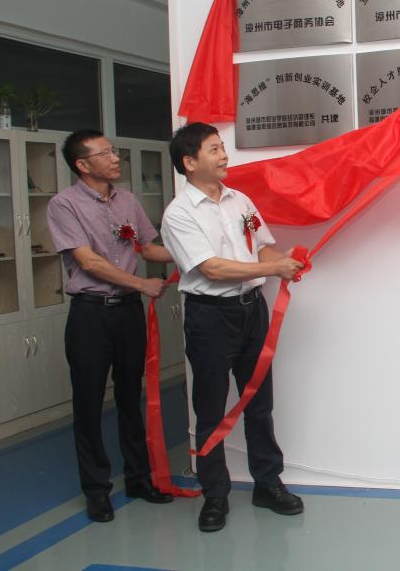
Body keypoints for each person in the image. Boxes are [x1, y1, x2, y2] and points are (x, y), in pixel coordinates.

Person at [161, 122, 305, 533]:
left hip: (251, 310)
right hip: (210, 316)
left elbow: (262, 247)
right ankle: (215, 494)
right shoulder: (179, 214)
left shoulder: (240, 200)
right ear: (190, 162)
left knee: (259, 400)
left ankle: (267, 483)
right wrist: (273, 269)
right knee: (210, 407)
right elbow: (212, 268)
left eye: (222, 147)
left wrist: (284, 262)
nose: (224, 155)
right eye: (214, 149)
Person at [47, 129, 176, 522]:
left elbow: (148, 248)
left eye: (114, 151)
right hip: (90, 314)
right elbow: (88, 261)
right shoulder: (63, 205)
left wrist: (201, 254)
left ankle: (138, 479)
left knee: (130, 398)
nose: (115, 158)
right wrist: (141, 284)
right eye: (105, 153)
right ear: (82, 165)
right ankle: (96, 490)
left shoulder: (128, 200)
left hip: (127, 314)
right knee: (88, 403)